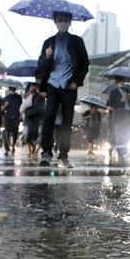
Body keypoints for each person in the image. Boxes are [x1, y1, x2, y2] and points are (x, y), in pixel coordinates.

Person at [38, 10, 90, 168]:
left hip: (69, 86)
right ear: (54, 21)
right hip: (53, 84)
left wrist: (77, 81)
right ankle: (46, 153)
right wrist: (47, 57)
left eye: (66, 19)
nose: (63, 22)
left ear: (70, 22)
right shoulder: (48, 42)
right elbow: (40, 66)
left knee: (67, 122)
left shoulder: (77, 41)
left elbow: (84, 64)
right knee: (49, 118)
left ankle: (63, 156)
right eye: (60, 19)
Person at [107, 76, 130, 165]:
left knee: (128, 134)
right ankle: (121, 153)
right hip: (118, 115)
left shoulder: (128, 91)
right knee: (119, 135)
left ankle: (125, 150)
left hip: (128, 114)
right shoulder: (113, 92)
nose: (121, 82)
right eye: (119, 80)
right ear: (116, 82)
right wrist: (121, 100)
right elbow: (112, 104)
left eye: (122, 80)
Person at [23, 71, 47, 160]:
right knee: (26, 132)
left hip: (41, 112)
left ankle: (35, 152)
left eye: (40, 77)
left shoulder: (45, 85)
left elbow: (47, 96)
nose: (38, 78)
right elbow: (24, 96)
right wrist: (30, 91)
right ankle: (28, 148)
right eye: (37, 76)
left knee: (41, 132)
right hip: (30, 112)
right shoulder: (30, 85)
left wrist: (38, 92)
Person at [1, 86, 22, 156]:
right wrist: (5, 105)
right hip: (8, 117)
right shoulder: (6, 98)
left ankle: (13, 146)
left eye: (13, 89)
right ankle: (7, 149)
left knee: (15, 133)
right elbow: (2, 109)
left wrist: (20, 115)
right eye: (11, 89)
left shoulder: (19, 97)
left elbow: (21, 106)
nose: (12, 90)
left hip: (16, 117)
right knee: (7, 133)